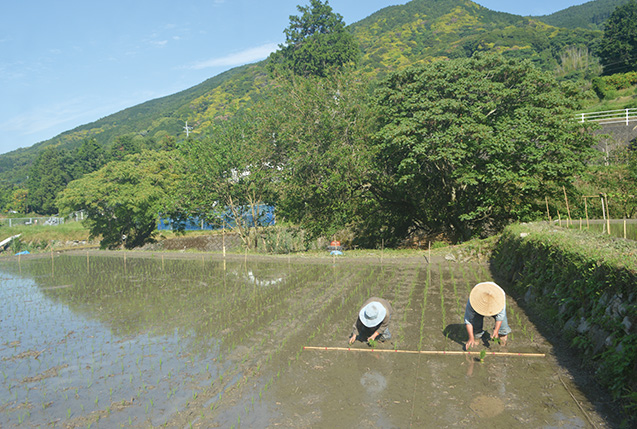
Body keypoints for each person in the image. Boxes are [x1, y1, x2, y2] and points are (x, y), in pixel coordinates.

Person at [464, 282, 511, 350]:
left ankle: (502, 334)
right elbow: (468, 320)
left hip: (496, 303)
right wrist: (471, 337)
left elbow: (500, 316)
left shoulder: (500, 298)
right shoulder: (473, 300)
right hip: (477, 307)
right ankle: (476, 335)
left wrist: (496, 330)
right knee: (476, 319)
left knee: (503, 322)